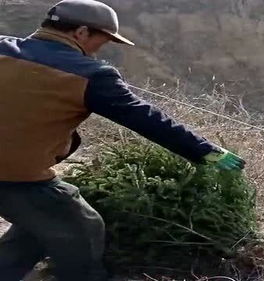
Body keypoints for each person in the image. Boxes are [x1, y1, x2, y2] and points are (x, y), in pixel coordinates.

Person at [0, 0, 246, 280]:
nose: (98, 50)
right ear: (81, 32)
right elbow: (147, 119)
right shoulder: (90, 75)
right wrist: (207, 152)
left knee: (41, 224)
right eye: (100, 42)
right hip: (16, 178)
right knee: (83, 225)